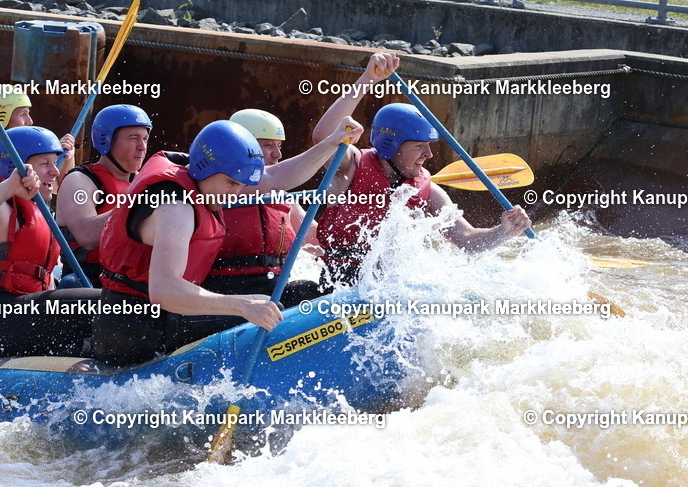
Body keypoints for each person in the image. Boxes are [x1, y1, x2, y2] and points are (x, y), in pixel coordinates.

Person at [312, 53, 533, 286]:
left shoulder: (428, 190)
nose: (429, 154)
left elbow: (468, 240)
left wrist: (504, 231)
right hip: (340, 284)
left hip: (395, 287)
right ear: (390, 145)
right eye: (419, 146)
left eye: (428, 145)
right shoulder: (351, 166)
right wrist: (367, 79)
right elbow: (322, 137)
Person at [93, 120, 283, 366]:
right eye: (231, 183)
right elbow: (165, 291)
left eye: (241, 186)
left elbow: (280, 175)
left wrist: (329, 144)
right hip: (136, 332)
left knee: (268, 301)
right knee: (269, 315)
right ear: (205, 168)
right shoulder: (176, 208)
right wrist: (242, 306)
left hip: (146, 320)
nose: (235, 194)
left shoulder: (194, 179)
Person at [0, 126, 99, 357]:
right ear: (15, 167)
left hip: (22, 318)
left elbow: (44, 285)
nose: (55, 171)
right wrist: (8, 187)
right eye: (45, 164)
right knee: (110, 305)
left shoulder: (39, 210)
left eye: (55, 163)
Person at [199, 108, 360, 307]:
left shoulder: (283, 199)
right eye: (268, 145)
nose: (277, 154)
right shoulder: (223, 186)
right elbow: (275, 176)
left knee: (311, 291)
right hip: (223, 290)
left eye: (279, 146)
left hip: (272, 288)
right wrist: (332, 142)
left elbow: (320, 242)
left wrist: (361, 254)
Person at [54, 104, 152, 287]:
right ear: (106, 140)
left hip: (130, 279)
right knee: (72, 283)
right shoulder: (80, 181)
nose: (142, 147)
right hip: (88, 280)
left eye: (145, 139)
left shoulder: (144, 183)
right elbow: (87, 235)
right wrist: (139, 203)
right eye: (133, 138)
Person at [0, 88, 75, 184]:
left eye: (28, 113)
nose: (30, 121)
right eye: (23, 114)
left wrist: (66, 159)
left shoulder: (28, 150)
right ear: (1, 119)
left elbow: (56, 191)